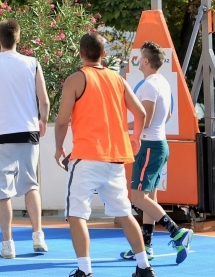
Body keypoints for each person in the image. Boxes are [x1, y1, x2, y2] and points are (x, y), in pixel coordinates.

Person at [54, 32, 155, 277]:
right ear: (103, 54)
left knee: (76, 213)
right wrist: (136, 137)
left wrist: (58, 148)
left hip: (87, 156)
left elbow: (62, 121)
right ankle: (144, 266)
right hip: (115, 157)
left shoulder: (77, 79)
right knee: (124, 213)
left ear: (80, 53)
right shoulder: (117, 79)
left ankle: (85, 270)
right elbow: (140, 113)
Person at [0, 19, 50, 259]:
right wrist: (43, 120)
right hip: (27, 131)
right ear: (18, 38)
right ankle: (38, 236)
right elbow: (44, 100)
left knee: (2, 190)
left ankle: (8, 244)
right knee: (31, 185)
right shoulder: (32, 63)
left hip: (1, 133)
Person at [120, 42, 193, 265]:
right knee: (149, 198)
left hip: (150, 147)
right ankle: (146, 246)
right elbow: (167, 114)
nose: (138, 60)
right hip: (159, 144)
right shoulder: (163, 82)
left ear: (145, 61)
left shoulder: (149, 85)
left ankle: (177, 232)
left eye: (140, 56)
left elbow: (146, 120)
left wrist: (121, 127)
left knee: (137, 198)